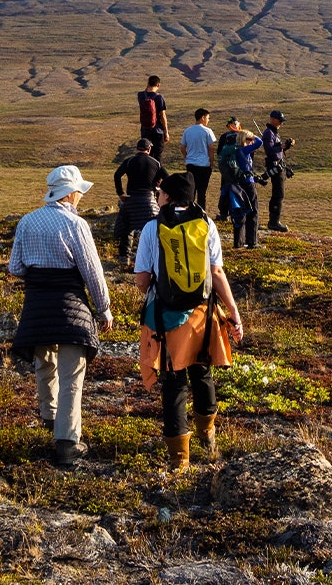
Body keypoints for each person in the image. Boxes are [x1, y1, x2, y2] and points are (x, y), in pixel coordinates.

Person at [134, 173, 244, 471]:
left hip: (166, 318)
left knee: (173, 384)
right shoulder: (206, 224)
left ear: (168, 196)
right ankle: (208, 437)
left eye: (160, 193)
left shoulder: (152, 227)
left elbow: (142, 279)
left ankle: (178, 460)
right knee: (202, 373)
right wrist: (233, 312)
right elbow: (217, 273)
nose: (157, 197)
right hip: (202, 316)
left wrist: (153, 291)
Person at [8, 165, 115, 467]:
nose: (81, 195)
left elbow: (15, 267)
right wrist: (103, 308)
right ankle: (67, 443)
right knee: (71, 374)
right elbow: (92, 272)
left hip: (37, 307)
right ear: (69, 193)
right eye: (79, 190)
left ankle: (49, 418)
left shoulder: (26, 222)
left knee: (45, 364)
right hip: (71, 307)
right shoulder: (76, 224)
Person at [113, 138, 165, 267]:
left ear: (137, 149)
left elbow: (117, 175)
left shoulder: (130, 161)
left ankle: (125, 257)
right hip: (149, 201)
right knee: (153, 230)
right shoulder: (155, 163)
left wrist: (120, 193)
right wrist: (159, 191)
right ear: (149, 149)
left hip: (131, 199)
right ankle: (153, 257)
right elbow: (168, 178)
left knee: (127, 228)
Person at [229, 130, 264, 249]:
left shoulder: (236, 151)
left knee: (242, 211)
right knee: (253, 211)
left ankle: (239, 242)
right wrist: (253, 135)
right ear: (245, 140)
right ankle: (252, 242)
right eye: (249, 140)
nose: (252, 142)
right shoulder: (244, 150)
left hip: (239, 184)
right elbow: (260, 142)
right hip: (248, 184)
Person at [261, 110, 294, 232]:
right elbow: (270, 151)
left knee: (278, 194)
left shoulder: (274, 132)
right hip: (275, 167)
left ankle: (274, 221)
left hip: (279, 165)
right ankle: (274, 222)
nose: (281, 123)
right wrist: (282, 146)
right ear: (273, 119)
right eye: (280, 121)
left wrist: (286, 146)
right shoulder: (269, 133)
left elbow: (277, 150)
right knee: (278, 194)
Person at [179, 108, 217, 211]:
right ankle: (201, 211)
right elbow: (211, 148)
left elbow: (182, 147)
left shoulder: (188, 130)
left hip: (191, 164)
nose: (208, 120)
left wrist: (187, 156)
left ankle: (189, 210)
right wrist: (211, 163)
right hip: (204, 164)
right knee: (202, 192)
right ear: (203, 117)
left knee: (191, 189)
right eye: (208, 118)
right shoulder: (207, 131)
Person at [214, 116, 242, 221]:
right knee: (227, 189)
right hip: (231, 168)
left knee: (231, 189)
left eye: (235, 123)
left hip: (231, 168)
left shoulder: (227, 136)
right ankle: (225, 213)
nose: (234, 125)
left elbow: (219, 152)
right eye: (232, 124)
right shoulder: (239, 136)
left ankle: (230, 212)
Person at [137, 75, 169, 161]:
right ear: (158, 85)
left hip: (145, 129)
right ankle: (157, 173)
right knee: (157, 156)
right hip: (157, 131)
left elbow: (145, 92)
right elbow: (163, 115)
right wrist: (166, 132)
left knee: (147, 155)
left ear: (148, 84)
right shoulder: (159, 97)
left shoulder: (140, 95)